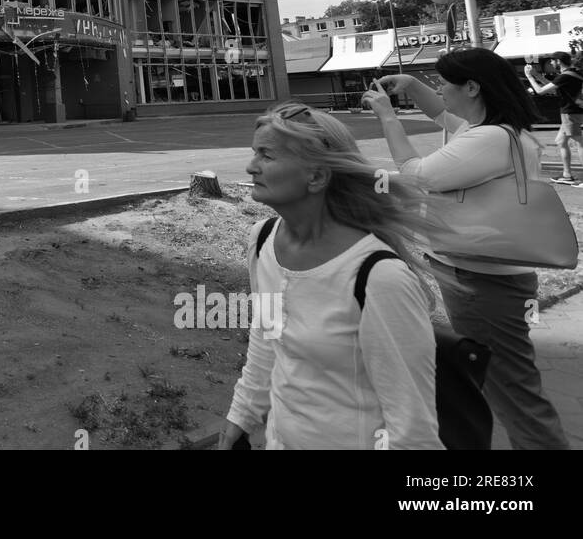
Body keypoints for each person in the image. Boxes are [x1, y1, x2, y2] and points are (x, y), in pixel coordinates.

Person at [362, 48, 570, 449]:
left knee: (512, 391)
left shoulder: (489, 138)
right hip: (486, 276)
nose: (440, 91)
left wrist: (388, 115)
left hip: (482, 282)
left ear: (472, 87)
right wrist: (412, 86)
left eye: (445, 83)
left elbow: (418, 175)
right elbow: (442, 114)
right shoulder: (499, 131)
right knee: (506, 383)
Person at [221, 101, 443, 450]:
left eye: (266, 155)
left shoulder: (379, 278)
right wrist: (243, 413)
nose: (251, 167)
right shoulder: (263, 239)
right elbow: (268, 335)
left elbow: (413, 431)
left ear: (317, 176)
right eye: (254, 153)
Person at [525, 51, 583, 185]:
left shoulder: (565, 76)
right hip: (575, 111)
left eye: (552, 61)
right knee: (561, 142)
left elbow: (540, 91)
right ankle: (567, 175)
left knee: (580, 143)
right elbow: (553, 88)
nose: (550, 63)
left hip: (570, 113)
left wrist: (530, 77)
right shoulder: (573, 74)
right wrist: (537, 75)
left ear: (558, 61)